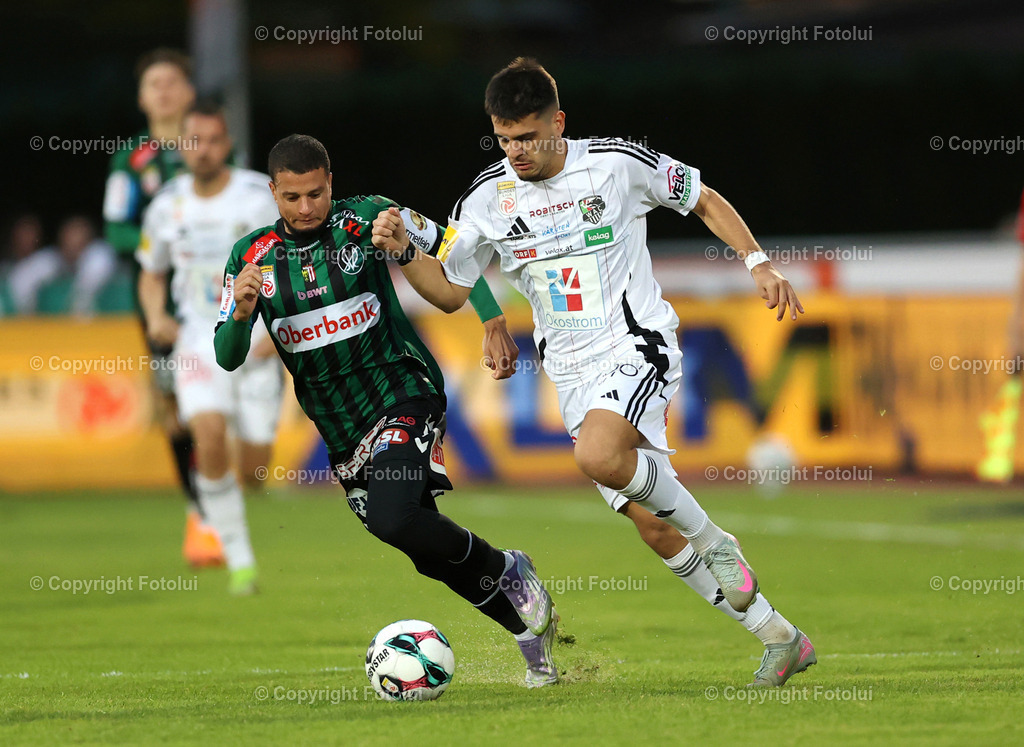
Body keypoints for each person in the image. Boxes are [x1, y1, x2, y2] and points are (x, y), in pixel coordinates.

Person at [370, 57, 815, 687]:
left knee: (599, 457)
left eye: (528, 136)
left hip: (637, 344)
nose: (516, 151)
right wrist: (410, 252)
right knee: (655, 527)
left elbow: (703, 199)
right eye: (504, 139)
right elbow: (449, 289)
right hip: (572, 374)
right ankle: (781, 637)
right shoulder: (486, 199)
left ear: (558, 121)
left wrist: (759, 263)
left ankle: (716, 540)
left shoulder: (614, 163)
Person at [213, 134, 559, 687]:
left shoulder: (371, 219)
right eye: (292, 197)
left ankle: (505, 567)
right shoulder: (249, 258)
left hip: (403, 391)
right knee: (422, 547)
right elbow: (227, 358)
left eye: (316, 194)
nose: (306, 208)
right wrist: (239, 313)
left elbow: (456, 253)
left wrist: (491, 319)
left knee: (396, 517)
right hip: (340, 429)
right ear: (273, 192)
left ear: (332, 181)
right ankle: (529, 638)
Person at [137, 102, 284, 594]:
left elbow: (292, 263)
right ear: (181, 145)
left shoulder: (257, 197)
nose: (202, 150)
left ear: (227, 144)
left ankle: (236, 514)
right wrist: (157, 315)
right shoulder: (164, 206)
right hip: (200, 337)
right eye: (193, 140)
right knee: (209, 435)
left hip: (259, 340)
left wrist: (285, 333)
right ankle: (240, 562)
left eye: (213, 140)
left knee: (256, 471)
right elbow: (151, 273)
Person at [102, 48, 220, 565]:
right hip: (158, 299)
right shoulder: (131, 159)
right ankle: (201, 513)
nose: (165, 91)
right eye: (154, 83)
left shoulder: (214, 148)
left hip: (213, 294)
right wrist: (165, 237)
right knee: (175, 409)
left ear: (189, 91)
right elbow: (115, 227)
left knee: (217, 400)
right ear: (142, 96)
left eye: (173, 81)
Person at [8, 215, 116, 316]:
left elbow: (96, 269)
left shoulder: (99, 254)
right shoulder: (52, 258)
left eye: (77, 237)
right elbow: (22, 279)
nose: (72, 243)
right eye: (69, 237)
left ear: (87, 239)